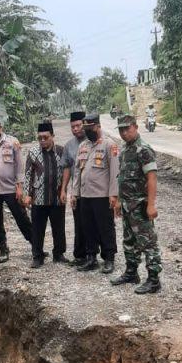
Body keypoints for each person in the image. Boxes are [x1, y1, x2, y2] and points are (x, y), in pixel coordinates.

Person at [110, 114, 162, 294]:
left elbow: (152, 178)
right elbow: (122, 178)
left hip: (140, 205)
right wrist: (118, 201)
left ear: (135, 127)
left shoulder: (143, 149)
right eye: (121, 130)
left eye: (127, 129)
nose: (124, 133)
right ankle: (131, 272)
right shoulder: (125, 151)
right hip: (127, 205)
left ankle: (154, 280)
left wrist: (151, 205)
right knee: (129, 241)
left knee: (148, 242)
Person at [0, 116, 32, 263]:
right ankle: (3, 248)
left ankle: (35, 245)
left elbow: (19, 165)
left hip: (10, 187)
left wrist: (20, 186)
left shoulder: (13, 142)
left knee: (21, 216)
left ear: (0, 127)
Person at [72, 112, 119, 274]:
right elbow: (78, 171)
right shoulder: (83, 146)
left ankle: (109, 258)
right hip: (85, 195)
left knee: (105, 227)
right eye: (85, 128)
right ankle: (91, 257)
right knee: (88, 227)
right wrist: (74, 193)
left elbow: (115, 173)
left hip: (102, 195)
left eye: (89, 127)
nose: (86, 130)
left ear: (97, 126)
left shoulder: (108, 144)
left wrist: (114, 195)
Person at [23, 121, 67, 269]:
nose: (42, 140)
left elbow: (67, 172)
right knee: (37, 229)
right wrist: (27, 195)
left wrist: (65, 190)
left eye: (45, 137)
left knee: (59, 227)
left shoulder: (61, 151)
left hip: (57, 197)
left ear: (52, 136)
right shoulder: (33, 153)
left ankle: (59, 254)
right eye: (40, 138)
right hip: (39, 198)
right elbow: (28, 174)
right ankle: (37, 256)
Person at [61, 110, 87, 266]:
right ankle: (80, 255)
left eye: (78, 125)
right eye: (73, 127)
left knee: (96, 223)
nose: (76, 129)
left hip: (95, 191)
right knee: (79, 223)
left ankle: (100, 255)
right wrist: (64, 189)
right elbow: (66, 168)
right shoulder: (69, 146)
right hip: (77, 192)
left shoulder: (96, 141)